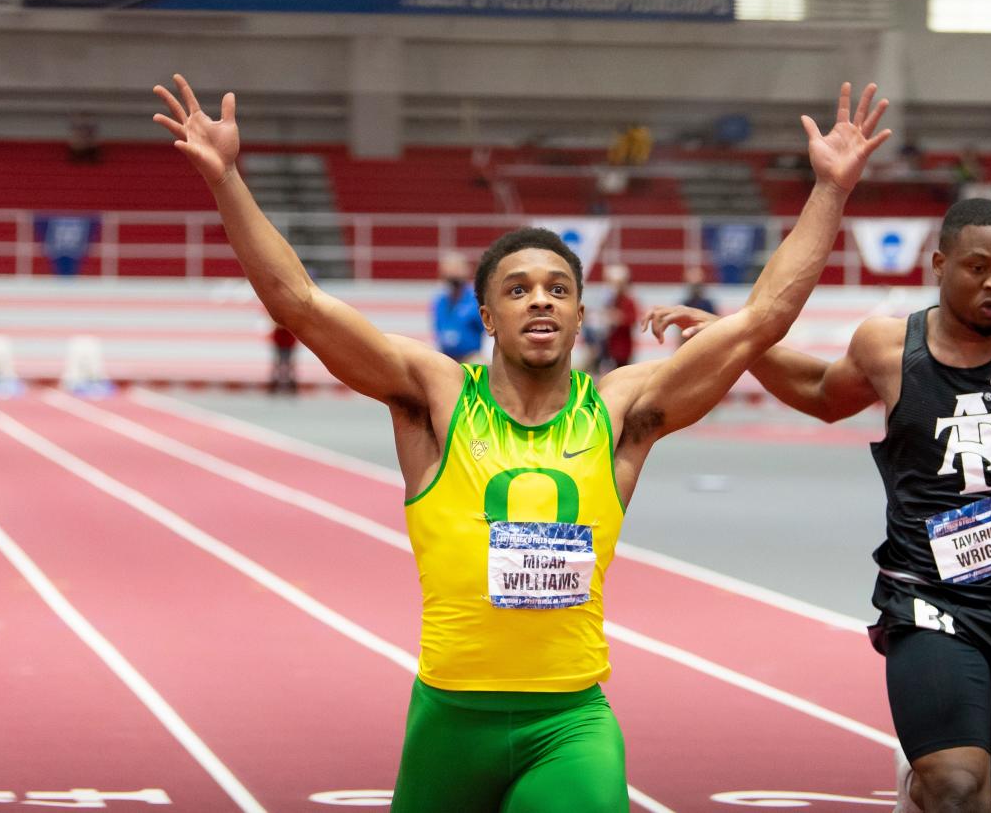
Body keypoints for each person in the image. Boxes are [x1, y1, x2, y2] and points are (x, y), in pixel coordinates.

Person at [153, 73, 891, 813]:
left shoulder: (622, 410)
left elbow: (765, 318)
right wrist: (226, 180)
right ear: (488, 316)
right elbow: (301, 304)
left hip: (568, 722)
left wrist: (829, 188)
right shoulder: (434, 399)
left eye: (559, 288)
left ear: (578, 318)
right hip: (447, 724)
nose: (540, 297)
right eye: (518, 288)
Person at [645, 197, 991, 813]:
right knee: (958, 789)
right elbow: (820, 392)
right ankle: (930, 781)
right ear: (940, 264)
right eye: (979, 267)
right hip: (927, 596)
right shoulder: (890, 346)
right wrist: (732, 339)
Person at [432, 251, 485, 362]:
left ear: (466, 272)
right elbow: (438, 331)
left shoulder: (476, 300)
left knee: (478, 363)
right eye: (449, 272)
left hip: (471, 356)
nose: (452, 277)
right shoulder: (439, 301)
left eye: (456, 271)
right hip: (446, 356)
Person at [598, 263, 638, 372]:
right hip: (609, 345)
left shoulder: (628, 301)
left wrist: (618, 318)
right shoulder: (610, 300)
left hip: (623, 347)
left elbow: (632, 320)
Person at [269, 321, 299, 394]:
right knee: (279, 363)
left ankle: (291, 384)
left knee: (289, 364)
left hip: (288, 341)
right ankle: (275, 383)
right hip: (281, 340)